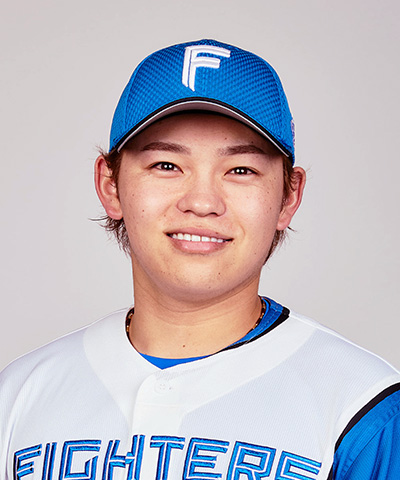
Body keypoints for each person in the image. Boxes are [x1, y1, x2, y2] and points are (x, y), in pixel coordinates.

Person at [1, 39, 399, 480]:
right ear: (111, 185)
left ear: (289, 197)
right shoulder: (17, 397)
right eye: (166, 165)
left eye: (241, 170)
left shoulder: (363, 408)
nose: (202, 202)